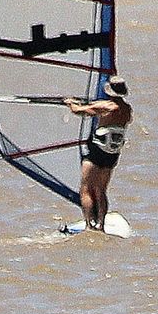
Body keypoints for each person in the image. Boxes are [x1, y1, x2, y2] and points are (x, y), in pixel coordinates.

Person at [65, 74, 132, 231]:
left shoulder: (107, 107)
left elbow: (79, 111)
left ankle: (89, 225)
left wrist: (70, 103)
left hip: (97, 151)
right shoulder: (127, 109)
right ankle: (101, 225)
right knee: (101, 189)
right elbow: (103, 108)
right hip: (112, 154)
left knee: (86, 189)